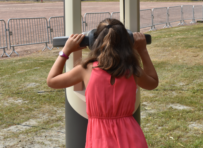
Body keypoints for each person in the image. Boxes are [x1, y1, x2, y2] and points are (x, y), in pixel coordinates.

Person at [47, 18, 158, 148]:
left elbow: (52, 81)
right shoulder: (132, 69)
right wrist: (143, 50)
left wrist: (66, 51)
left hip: (99, 139)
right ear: (127, 42)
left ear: (95, 41)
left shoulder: (86, 69)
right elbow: (153, 82)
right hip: (130, 136)